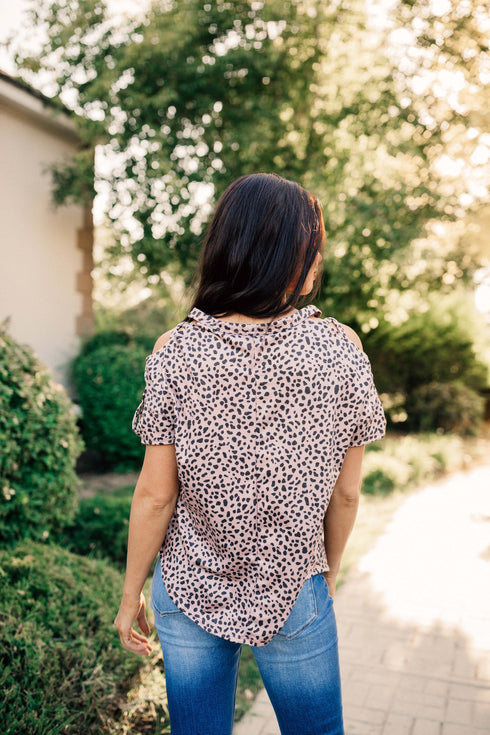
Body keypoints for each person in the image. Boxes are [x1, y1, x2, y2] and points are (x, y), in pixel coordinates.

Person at [114, 173, 386, 735]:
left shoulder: (175, 350)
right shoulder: (341, 349)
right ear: (293, 256)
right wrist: (325, 573)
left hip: (188, 583)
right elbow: (347, 491)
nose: (318, 264)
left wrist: (129, 593)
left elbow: (156, 495)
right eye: (315, 248)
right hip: (295, 584)